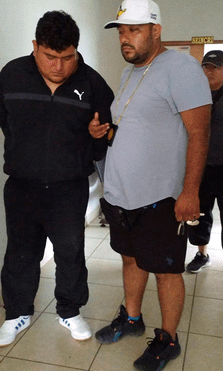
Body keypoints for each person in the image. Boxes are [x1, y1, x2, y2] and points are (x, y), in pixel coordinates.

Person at [96, 1, 212, 370]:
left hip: (161, 198)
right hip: (121, 194)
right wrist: (105, 131)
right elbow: (137, 124)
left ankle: (168, 339)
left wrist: (190, 192)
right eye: (121, 31)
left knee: (166, 270)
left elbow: (199, 133)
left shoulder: (182, 68)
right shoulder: (130, 72)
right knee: (130, 259)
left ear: (155, 30)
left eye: (134, 30)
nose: (125, 39)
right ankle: (132, 318)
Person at [0, 11, 114, 346]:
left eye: (67, 58)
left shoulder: (92, 83)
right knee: (20, 252)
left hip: (69, 186)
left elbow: (101, 144)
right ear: (35, 46)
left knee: (70, 251)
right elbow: (6, 122)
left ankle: (69, 311)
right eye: (51, 57)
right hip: (22, 185)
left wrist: (96, 135)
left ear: (76, 51)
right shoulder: (11, 75)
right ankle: (16, 313)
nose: (59, 66)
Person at [185, 50, 223, 274]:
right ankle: (202, 254)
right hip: (200, 166)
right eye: (206, 67)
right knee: (199, 212)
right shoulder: (194, 95)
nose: (209, 71)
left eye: (215, 67)